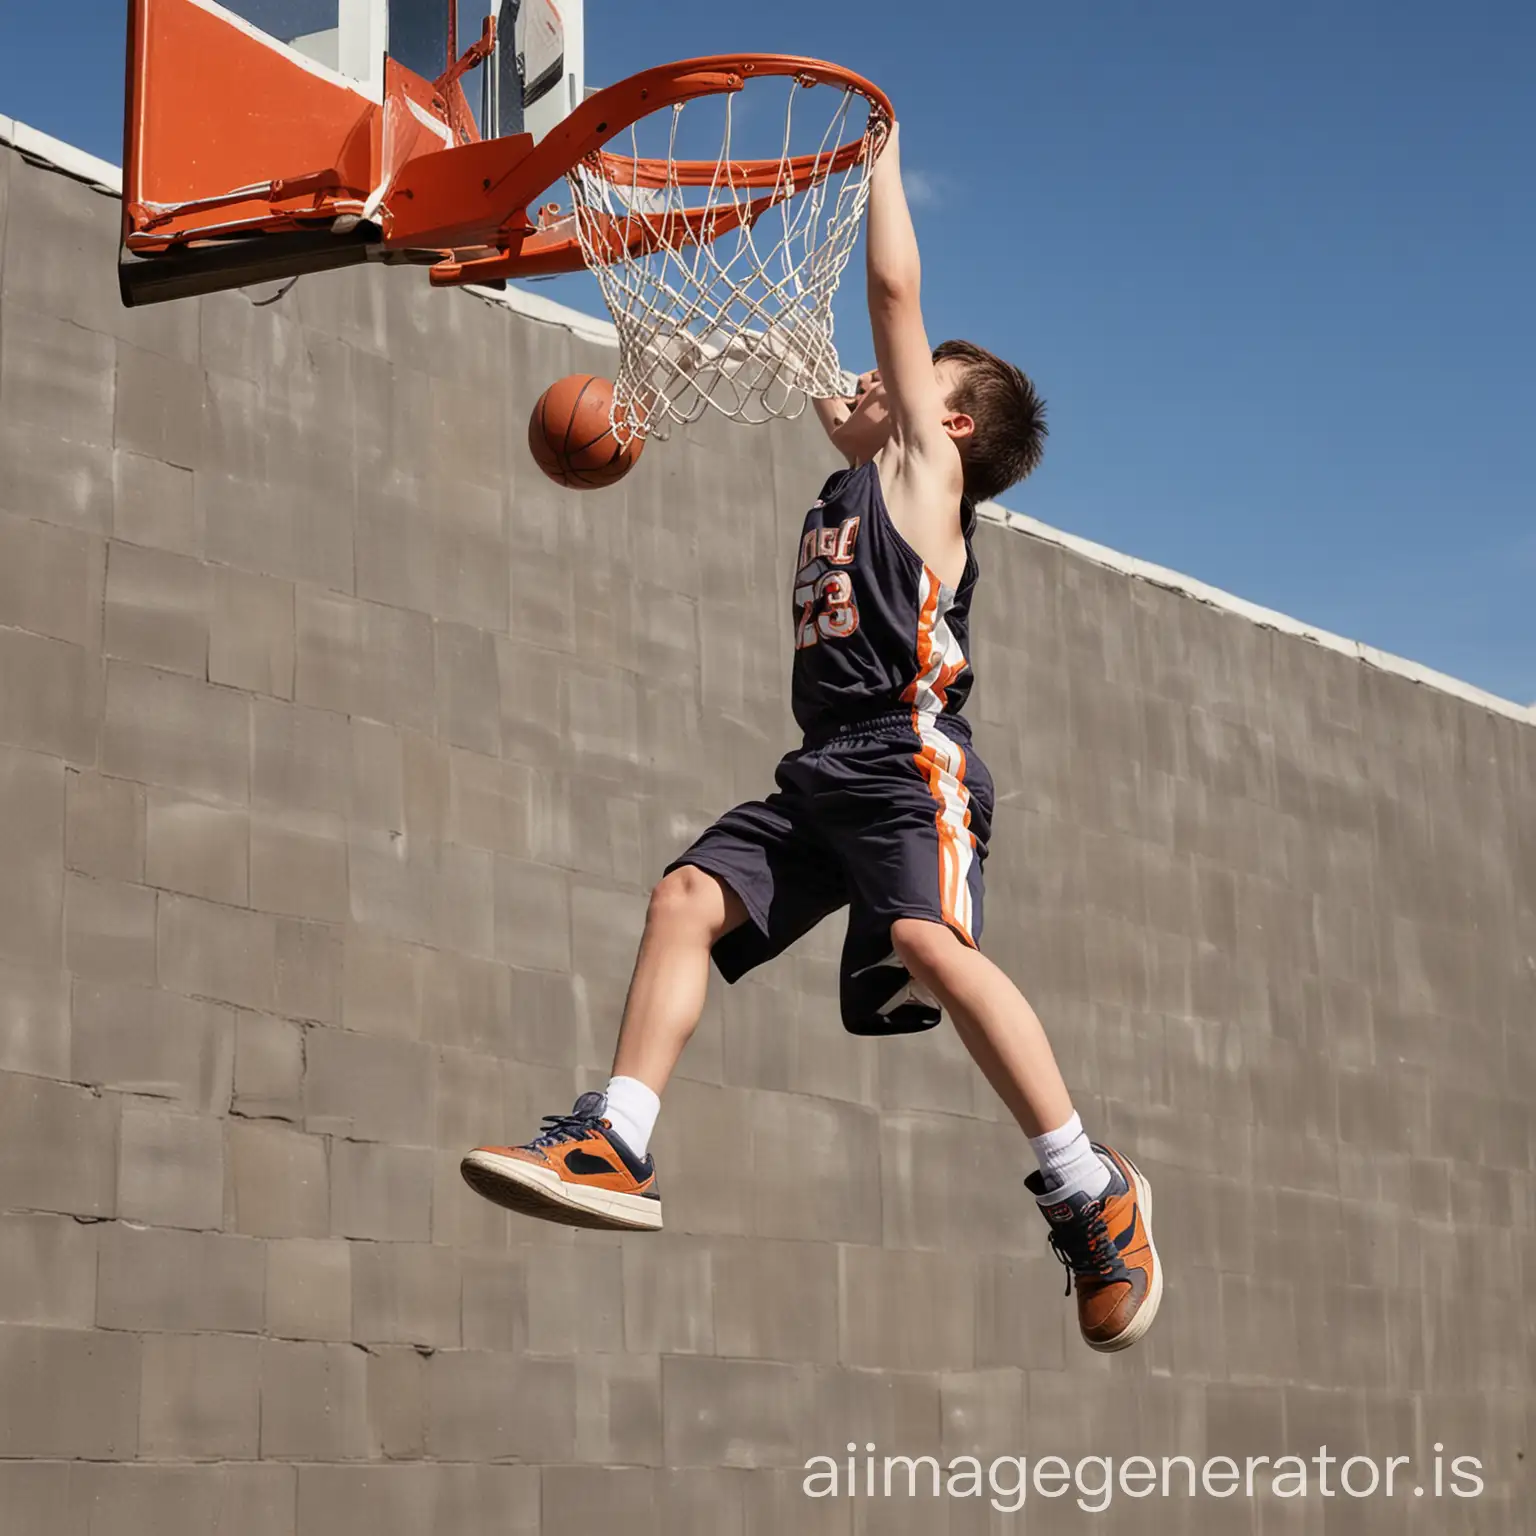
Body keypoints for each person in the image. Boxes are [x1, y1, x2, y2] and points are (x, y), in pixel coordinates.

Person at [463, 122, 1161, 1352]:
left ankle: (1089, 1184)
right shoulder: (854, 484)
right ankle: (617, 1139)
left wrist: (876, 152)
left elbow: (894, 286)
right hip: (823, 773)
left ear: (945, 424)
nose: (868, 376)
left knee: (927, 944)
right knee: (686, 896)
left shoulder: (922, 480)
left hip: (907, 760)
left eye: (903, 376)